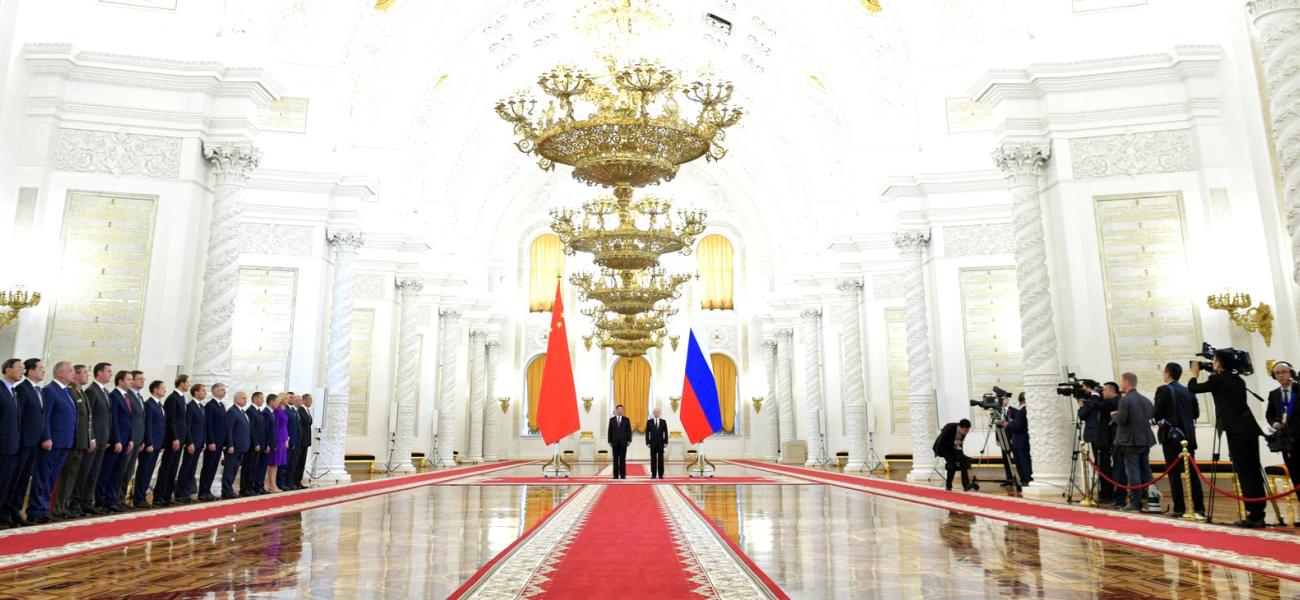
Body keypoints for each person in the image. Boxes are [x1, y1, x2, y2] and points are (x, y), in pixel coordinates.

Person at [1189, 350, 1266, 528]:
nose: (1213, 362)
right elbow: (1223, 385)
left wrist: (1194, 374)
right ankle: (1258, 511)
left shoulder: (1218, 380)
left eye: (1215, 360)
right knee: (1253, 471)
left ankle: (1253, 515)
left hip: (1236, 430)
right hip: (1249, 429)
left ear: (1220, 363)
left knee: (1245, 472)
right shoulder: (1237, 379)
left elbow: (1193, 388)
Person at [28, 361, 79, 524]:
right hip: (52, 442)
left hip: (65, 442)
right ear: (60, 373)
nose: (73, 373)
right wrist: (46, 437)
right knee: (43, 476)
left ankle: (44, 509)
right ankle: (35, 510)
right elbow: (46, 417)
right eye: (70, 370)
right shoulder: (50, 390)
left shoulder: (66, 391)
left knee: (52, 478)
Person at [1153, 362, 1204, 517]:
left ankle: (1180, 508)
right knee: (1192, 474)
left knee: (1174, 474)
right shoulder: (1188, 391)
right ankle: (1199, 507)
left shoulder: (1163, 389)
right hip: (1188, 436)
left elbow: (1156, 414)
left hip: (1171, 437)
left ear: (1167, 373)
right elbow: (1196, 414)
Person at [53, 364, 95, 518]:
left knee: (72, 476)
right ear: (76, 375)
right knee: (65, 475)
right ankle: (57, 507)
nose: (87, 375)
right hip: (72, 441)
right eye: (84, 373)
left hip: (80, 441)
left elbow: (87, 418)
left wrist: (89, 439)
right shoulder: (70, 391)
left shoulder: (79, 391)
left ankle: (64, 506)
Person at [8, 359, 45, 526]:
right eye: (41, 368)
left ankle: (15, 512)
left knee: (23, 480)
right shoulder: (22, 389)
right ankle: (7, 512)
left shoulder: (38, 390)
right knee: (14, 479)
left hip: (34, 443)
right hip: (23, 443)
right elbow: (18, 417)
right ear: (31, 371)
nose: (44, 371)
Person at [1112, 372, 1155, 511]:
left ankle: (1135, 502)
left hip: (1130, 441)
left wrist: (1114, 416)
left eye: (1121, 381)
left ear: (1127, 382)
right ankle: (1152, 500)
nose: (1121, 384)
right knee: (1146, 471)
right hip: (1145, 440)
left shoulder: (1125, 400)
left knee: (1133, 473)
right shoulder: (1146, 400)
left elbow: (1123, 419)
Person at [75, 362, 113, 515]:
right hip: (93, 440)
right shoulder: (92, 391)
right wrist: (91, 438)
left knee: (94, 473)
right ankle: (77, 503)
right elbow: (88, 418)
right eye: (108, 371)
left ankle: (87, 501)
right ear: (99, 373)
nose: (111, 374)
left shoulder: (104, 391)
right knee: (85, 472)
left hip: (103, 439)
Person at [1266, 361, 1300, 525]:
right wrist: (1275, 423)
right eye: (1277, 373)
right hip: (1287, 442)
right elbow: (1270, 414)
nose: (1281, 375)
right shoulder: (1274, 394)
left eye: (1284, 372)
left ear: (1291, 372)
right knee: (1296, 476)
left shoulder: (1299, 389)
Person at [153, 374, 190, 507]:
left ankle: (167, 495)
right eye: (188, 382)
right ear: (181, 383)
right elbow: (171, 421)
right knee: (166, 468)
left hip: (180, 440)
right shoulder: (173, 398)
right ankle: (159, 496)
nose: (189, 385)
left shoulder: (181, 398)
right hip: (173, 440)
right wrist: (175, 437)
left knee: (173, 468)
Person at [1077, 379, 1116, 504]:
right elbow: (1083, 415)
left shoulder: (1097, 400)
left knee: (1104, 466)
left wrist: (1083, 404)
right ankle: (1105, 492)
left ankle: (1107, 493)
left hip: (1100, 436)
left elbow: (1082, 414)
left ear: (1089, 388)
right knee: (1101, 466)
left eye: (1084, 388)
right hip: (1096, 436)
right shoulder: (1095, 400)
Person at [114, 370, 146, 510]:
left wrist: (141, 439)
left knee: (128, 471)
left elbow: (140, 420)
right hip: (128, 439)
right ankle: (117, 499)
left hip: (136, 439)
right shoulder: (128, 397)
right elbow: (129, 420)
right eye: (139, 379)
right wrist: (131, 438)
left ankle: (122, 499)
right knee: (121, 471)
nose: (142, 381)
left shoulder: (139, 397)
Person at [133, 380, 167, 509]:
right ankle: (139, 498)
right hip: (150, 445)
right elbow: (148, 426)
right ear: (155, 390)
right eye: (163, 388)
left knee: (149, 471)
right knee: (144, 471)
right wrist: (149, 442)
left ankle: (143, 497)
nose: (165, 390)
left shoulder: (159, 405)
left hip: (157, 444)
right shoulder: (149, 404)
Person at [174, 383, 207, 503]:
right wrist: (189, 442)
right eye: (202, 390)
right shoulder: (190, 406)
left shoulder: (201, 407)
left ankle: (187, 493)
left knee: (192, 469)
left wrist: (203, 442)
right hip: (191, 442)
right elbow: (187, 426)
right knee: (186, 468)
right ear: (196, 392)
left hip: (199, 443)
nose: (205, 392)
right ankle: (180, 494)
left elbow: (203, 427)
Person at [0, 359, 21, 529]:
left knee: (6, 483)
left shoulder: (14, 392)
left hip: (12, 446)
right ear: (7, 370)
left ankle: (3, 515)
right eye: (19, 368)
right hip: (2, 445)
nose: (22, 371)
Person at [199, 383, 228, 501]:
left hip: (220, 442)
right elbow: (209, 425)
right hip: (213, 442)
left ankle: (208, 490)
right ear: (214, 391)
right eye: (222, 390)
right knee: (208, 466)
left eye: (224, 390)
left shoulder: (222, 405)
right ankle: (202, 491)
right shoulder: (210, 405)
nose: (224, 392)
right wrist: (210, 441)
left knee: (214, 467)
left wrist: (225, 442)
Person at [933, 419, 976, 492]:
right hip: (943, 448)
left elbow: (960, 445)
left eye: (967, 431)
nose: (966, 433)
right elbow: (942, 442)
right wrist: (954, 443)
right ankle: (948, 485)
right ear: (959, 427)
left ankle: (966, 485)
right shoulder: (949, 428)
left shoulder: (964, 432)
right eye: (965, 430)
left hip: (954, 448)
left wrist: (961, 455)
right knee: (951, 464)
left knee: (963, 461)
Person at [222, 391, 251, 499]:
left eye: (246, 398)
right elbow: (229, 430)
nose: (245, 400)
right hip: (233, 447)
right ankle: (226, 491)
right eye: (243, 398)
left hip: (242, 446)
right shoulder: (232, 411)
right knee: (229, 469)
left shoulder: (242, 412)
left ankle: (229, 489)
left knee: (234, 469)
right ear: (236, 399)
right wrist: (230, 445)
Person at [1006, 392, 1033, 485]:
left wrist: (1008, 424)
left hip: (1020, 441)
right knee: (1022, 461)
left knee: (1023, 462)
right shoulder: (1024, 410)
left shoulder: (1021, 411)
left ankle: (1026, 480)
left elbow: (1018, 426)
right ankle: (1025, 479)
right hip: (1022, 440)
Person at [241, 392, 264, 496]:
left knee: (254, 467)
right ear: (255, 399)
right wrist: (256, 443)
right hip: (252, 445)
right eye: (261, 399)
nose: (263, 401)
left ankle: (251, 487)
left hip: (258, 444)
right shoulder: (250, 411)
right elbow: (252, 429)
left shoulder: (258, 411)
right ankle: (245, 488)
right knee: (248, 467)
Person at [267, 394, 289, 493]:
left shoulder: (283, 410)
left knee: (278, 463)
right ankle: (271, 484)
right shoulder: (276, 411)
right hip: (278, 437)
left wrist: (286, 439)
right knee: (273, 462)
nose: (287, 400)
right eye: (286, 398)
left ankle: (274, 484)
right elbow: (275, 427)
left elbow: (285, 426)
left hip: (283, 437)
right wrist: (275, 441)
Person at [278, 392, 299, 491]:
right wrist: (288, 439)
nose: (290, 399)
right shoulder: (283, 410)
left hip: (290, 439)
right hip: (284, 439)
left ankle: (288, 482)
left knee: (289, 463)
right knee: (283, 464)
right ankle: (281, 482)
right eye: (287, 398)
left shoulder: (290, 410)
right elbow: (284, 426)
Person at [292, 394, 313, 489]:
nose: (311, 402)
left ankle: (298, 481)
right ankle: (294, 481)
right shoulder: (300, 410)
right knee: (297, 462)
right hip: (300, 440)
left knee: (302, 462)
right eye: (310, 400)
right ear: (304, 400)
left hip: (306, 440)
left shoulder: (306, 410)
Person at [607, 404, 631, 480]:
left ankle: (623, 475)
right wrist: (609, 440)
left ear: (623, 411)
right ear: (616, 410)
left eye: (621, 409)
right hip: (614, 442)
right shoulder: (612, 419)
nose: (620, 410)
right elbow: (609, 431)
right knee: (615, 459)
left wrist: (629, 440)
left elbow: (629, 431)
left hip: (623, 442)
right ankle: (615, 475)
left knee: (622, 459)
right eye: (619, 409)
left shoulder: (626, 419)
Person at [257, 394, 274, 493]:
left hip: (267, 444)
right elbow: (265, 431)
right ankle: (258, 486)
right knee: (261, 466)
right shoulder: (266, 413)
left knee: (263, 467)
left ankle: (260, 485)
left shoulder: (269, 412)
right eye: (261, 398)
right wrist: (267, 444)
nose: (262, 400)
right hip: (264, 444)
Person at [645, 406, 668, 479]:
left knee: (661, 460)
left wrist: (665, 442)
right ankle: (653, 474)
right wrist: (648, 442)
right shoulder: (649, 422)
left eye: (658, 412)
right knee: (653, 460)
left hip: (661, 444)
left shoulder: (663, 421)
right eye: (655, 412)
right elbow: (647, 433)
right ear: (653, 413)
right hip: (652, 443)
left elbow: (666, 433)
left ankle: (661, 474)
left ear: (660, 413)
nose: (656, 413)